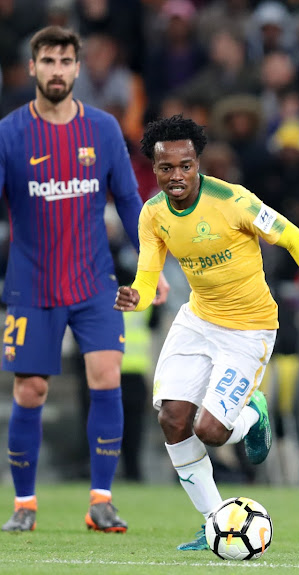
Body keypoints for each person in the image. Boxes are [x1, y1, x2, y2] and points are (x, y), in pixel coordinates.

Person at [114, 115, 299, 551]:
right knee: (172, 419)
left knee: (210, 431)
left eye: (185, 166)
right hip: (197, 322)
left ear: (198, 164)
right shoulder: (152, 214)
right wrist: (137, 295)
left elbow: (297, 241)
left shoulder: (234, 201)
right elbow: (149, 276)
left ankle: (254, 414)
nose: (176, 176)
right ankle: (214, 520)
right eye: (166, 168)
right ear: (154, 169)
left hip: (248, 330)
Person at [0, 26, 169, 534]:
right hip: (31, 285)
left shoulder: (102, 129)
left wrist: (150, 268)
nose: (56, 70)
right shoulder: (9, 133)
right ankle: (24, 505)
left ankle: (101, 500)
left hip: (94, 281)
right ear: (33, 68)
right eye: (47, 61)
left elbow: (131, 203)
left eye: (65, 61)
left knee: (107, 378)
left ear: (77, 68)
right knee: (30, 390)